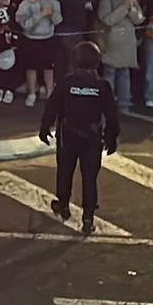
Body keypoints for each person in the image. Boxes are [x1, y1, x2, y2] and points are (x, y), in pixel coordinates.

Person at [40, 41, 121, 235]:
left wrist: (45, 127)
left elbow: (52, 106)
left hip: (68, 135)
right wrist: (112, 137)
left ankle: (63, 205)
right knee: (90, 177)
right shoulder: (102, 86)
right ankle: (88, 218)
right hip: (92, 136)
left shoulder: (67, 83)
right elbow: (112, 114)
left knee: (65, 171)